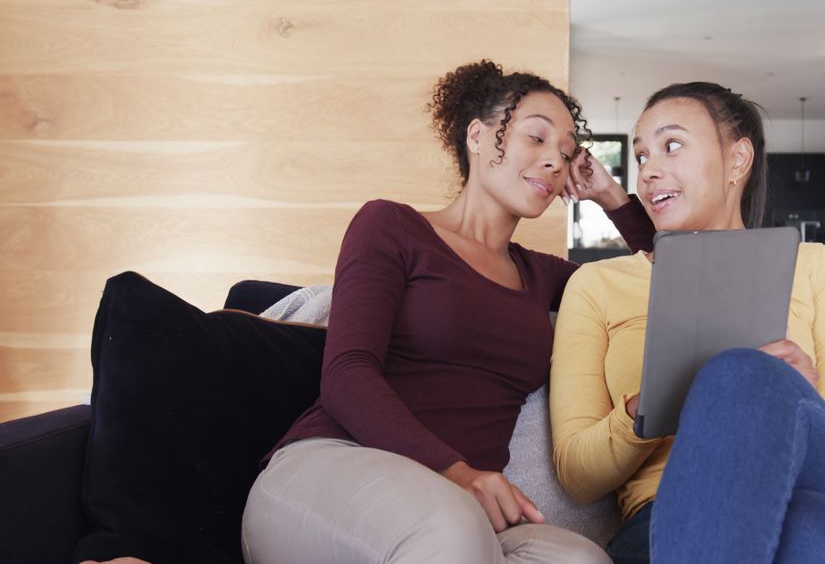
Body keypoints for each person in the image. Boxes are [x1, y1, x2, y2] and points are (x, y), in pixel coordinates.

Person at [238, 60, 656, 564]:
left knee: (581, 560)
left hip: (460, 508)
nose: (554, 161)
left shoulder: (545, 276)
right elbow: (346, 374)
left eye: (567, 154)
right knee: (450, 529)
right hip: (334, 470)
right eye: (536, 138)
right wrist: (457, 472)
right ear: (477, 136)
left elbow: (656, 278)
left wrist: (611, 197)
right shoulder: (392, 226)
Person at [549, 82, 825, 564]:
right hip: (671, 518)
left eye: (671, 145)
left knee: (746, 375)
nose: (649, 169)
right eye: (642, 155)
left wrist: (795, 400)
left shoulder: (815, 265)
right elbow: (577, 475)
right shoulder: (596, 285)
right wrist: (644, 407)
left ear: (737, 160)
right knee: (823, 537)